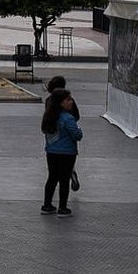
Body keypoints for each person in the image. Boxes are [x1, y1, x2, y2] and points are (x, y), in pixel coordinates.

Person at [41, 89, 84, 217]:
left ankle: (47, 205)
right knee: (64, 179)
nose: (71, 102)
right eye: (68, 99)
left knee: (52, 177)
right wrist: (79, 130)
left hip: (51, 152)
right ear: (61, 103)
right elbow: (76, 135)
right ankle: (63, 208)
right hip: (67, 153)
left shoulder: (49, 117)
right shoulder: (68, 118)